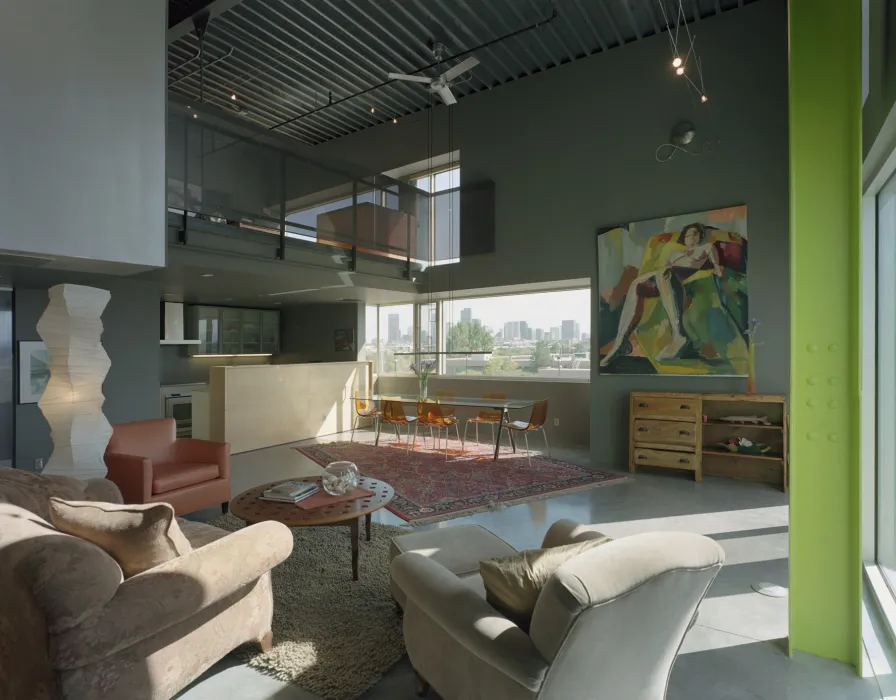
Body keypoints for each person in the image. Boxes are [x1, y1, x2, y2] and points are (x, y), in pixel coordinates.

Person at [600, 223, 723, 366]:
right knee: (636, 284)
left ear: (701, 236)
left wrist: (717, 269)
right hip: (667, 278)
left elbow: (716, 266)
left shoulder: (706, 247)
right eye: (688, 235)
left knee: (664, 272)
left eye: (695, 234)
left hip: (683, 274)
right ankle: (620, 342)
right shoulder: (675, 253)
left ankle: (679, 336)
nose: (691, 237)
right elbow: (666, 270)